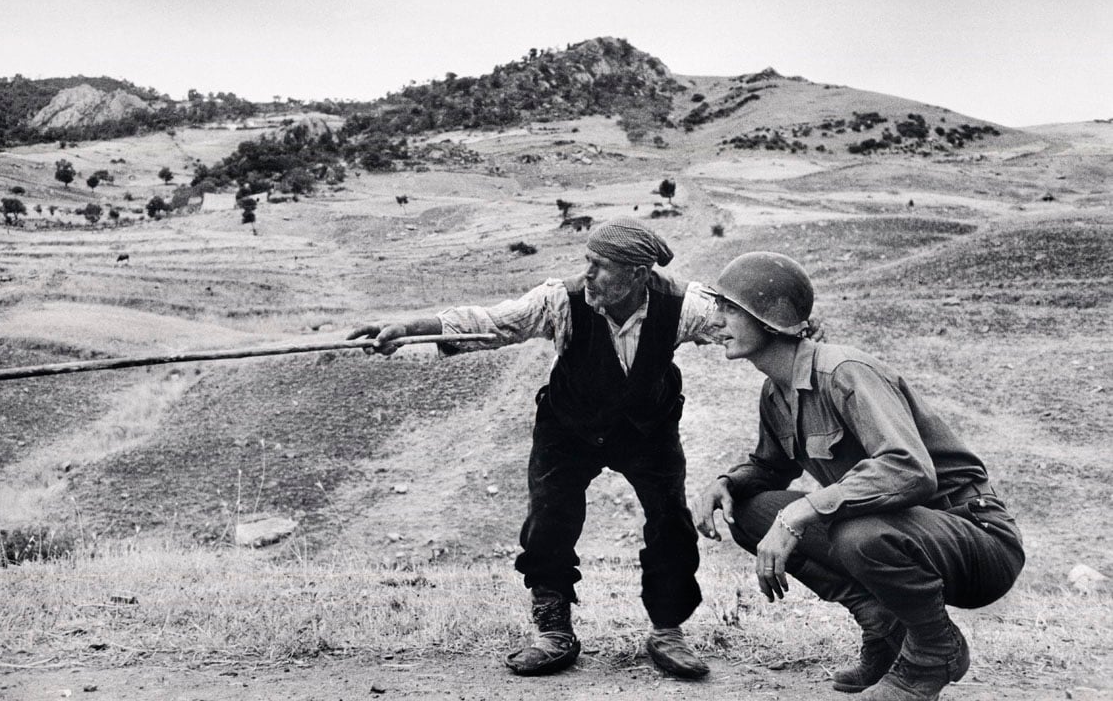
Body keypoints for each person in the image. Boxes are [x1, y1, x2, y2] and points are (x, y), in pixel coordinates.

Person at [348, 217, 719, 679]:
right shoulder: (560, 300)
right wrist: (406, 329)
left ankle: (667, 631)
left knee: (671, 521)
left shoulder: (683, 305)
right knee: (549, 521)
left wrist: (796, 330)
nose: (587, 274)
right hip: (569, 427)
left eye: (600, 266)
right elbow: (491, 323)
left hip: (647, 428)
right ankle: (554, 632)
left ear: (639, 274)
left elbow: (744, 322)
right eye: (587, 261)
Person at [692, 252, 1024, 701]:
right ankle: (885, 629)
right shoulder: (776, 391)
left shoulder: (844, 372)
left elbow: (909, 469)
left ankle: (934, 652)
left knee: (854, 531)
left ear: (768, 320)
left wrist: (803, 512)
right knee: (751, 511)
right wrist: (726, 484)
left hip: (975, 538)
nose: (716, 320)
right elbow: (770, 468)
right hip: (902, 535)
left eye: (729, 308)